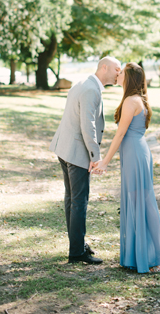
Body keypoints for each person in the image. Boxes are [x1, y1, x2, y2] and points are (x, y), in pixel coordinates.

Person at [93, 63, 160, 273]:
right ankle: (141, 256)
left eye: (121, 73)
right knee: (139, 203)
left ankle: (155, 258)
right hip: (135, 154)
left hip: (135, 155)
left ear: (129, 78)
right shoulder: (134, 99)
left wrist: (105, 162)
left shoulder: (131, 101)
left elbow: (120, 135)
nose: (117, 74)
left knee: (144, 204)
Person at [49, 56, 121, 264]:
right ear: (104, 67)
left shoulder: (83, 82)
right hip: (77, 153)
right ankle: (77, 252)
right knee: (79, 201)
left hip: (65, 149)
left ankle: (77, 246)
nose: (119, 73)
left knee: (72, 200)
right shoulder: (91, 89)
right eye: (117, 69)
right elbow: (87, 124)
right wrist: (95, 156)